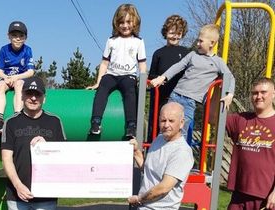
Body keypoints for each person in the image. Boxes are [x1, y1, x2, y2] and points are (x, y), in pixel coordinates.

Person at [150, 24, 235, 138]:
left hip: (190, 102)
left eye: (201, 41)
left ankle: (178, 155)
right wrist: (162, 77)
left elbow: (230, 77)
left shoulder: (218, 62)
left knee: (182, 132)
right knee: (165, 128)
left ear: (212, 43)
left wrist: (230, 94)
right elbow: (178, 66)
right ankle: (161, 154)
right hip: (175, 95)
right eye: (197, 40)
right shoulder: (192, 55)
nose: (197, 44)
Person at [1, 76, 66, 210]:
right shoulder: (11, 122)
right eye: (29, 93)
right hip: (16, 197)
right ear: (22, 96)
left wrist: (47, 147)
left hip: (46, 197)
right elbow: (6, 158)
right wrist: (18, 185)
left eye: (38, 94)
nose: (33, 98)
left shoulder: (55, 122)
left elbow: (64, 156)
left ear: (44, 98)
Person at [86, 3, 147, 138]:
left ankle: (131, 125)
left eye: (128, 22)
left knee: (130, 93)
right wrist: (98, 82)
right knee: (102, 89)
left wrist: (142, 82)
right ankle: (96, 122)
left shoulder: (138, 42)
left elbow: (142, 65)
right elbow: (104, 63)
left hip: (128, 76)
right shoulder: (111, 41)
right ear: (116, 24)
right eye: (121, 22)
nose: (125, 26)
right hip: (112, 74)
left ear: (135, 23)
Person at [128, 102, 194, 209]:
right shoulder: (159, 139)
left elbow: (163, 188)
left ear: (181, 123)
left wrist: (139, 199)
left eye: (171, 121)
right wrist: (136, 152)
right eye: (163, 120)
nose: (166, 125)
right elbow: (148, 171)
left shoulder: (182, 151)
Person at [226, 77, 275, 210]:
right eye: (255, 93)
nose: (258, 96)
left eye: (263, 92)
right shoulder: (240, 119)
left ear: (273, 94)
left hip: (266, 198)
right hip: (238, 194)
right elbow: (214, 118)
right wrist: (222, 93)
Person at [148, 15, 189, 138]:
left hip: (179, 98)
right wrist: (160, 79)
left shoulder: (186, 53)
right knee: (156, 129)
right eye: (172, 32)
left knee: (176, 131)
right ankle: (152, 153)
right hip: (160, 98)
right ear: (165, 32)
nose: (175, 36)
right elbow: (151, 75)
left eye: (178, 33)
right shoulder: (158, 53)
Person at [0, 21, 35, 133]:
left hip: (20, 78)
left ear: (26, 37)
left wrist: (16, 77)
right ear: (9, 36)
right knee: (0, 85)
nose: (18, 39)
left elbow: (30, 72)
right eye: (14, 36)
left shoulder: (27, 50)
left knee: (19, 84)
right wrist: (6, 77)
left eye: (21, 36)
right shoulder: (4, 49)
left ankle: (18, 116)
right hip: (7, 78)